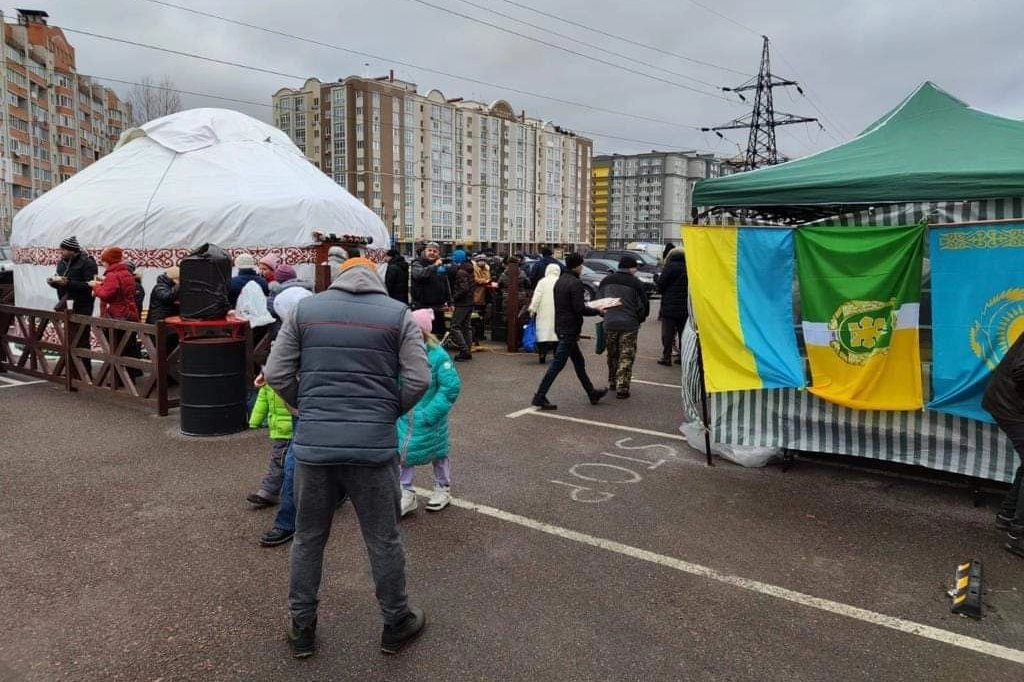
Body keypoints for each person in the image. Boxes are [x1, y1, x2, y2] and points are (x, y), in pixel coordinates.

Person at [263, 256, 431, 659]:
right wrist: (387, 411)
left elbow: (276, 373)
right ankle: (396, 621)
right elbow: (420, 378)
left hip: (315, 445)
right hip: (372, 447)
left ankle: (302, 627)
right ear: (375, 278)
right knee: (383, 539)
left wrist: (305, 408)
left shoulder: (306, 310)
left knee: (308, 538)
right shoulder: (397, 313)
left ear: (339, 278)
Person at [256, 285, 315, 549]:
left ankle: (287, 521)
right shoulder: (328, 325)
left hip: (304, 406)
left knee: (294, 460)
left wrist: (295, 399)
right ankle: (337, 495)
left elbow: (278, 372)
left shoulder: (291, 333)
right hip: (331, 404)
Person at [398, 308, 462, 517]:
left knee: (438, 452)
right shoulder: (402, 352)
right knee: (404, 453)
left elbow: (450, 387)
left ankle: (442, 488)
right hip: (406, 415)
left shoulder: (438, 355)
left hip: (429, 416)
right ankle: (406, 491)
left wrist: (430, 413)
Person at [530, 253, 608, 410]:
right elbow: (579, 308)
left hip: (561, 326)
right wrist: (598, 311)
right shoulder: (575, 283)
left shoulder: (560, 281)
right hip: (570, 329)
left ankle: (591, 392)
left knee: (579, 363)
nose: (582, 268)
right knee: (557, 364)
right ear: (577, 266)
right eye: (581, 265)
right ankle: (540, 395)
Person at [982, 334, 1024, 559]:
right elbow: (1021, 372)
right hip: (1010, 403)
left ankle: (1008, 517)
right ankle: (1019, 535)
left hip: (1010, 401)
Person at [597, 255, 649, 399]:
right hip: (629, 324)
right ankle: (623, 387)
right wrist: (639, 319)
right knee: (626, 355)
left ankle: (612, 381)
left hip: (610, 323)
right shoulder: (636, 283)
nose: (636, 270)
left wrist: (605, 316)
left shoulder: (606, 280)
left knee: (612, 354)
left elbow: (598, 302)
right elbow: (643, 306)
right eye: (635, 268)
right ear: (630, 268)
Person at [47, 236, 98, 377]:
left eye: (63, 249)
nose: (61, 252)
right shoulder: (62, 263)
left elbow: (91, 286)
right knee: (69, 339)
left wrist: (68, 283)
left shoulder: (87, 263)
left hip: (82, 305)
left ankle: (84, 373)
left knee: (81, 339)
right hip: (66, 305)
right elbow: (62, 283)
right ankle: (72, 372)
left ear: (72, 250)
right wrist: (54, 283)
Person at [91, 247, 142, 383]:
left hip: (117, 314)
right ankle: (130, 378)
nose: (102, 263)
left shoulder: (112, 275)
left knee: (116, 348)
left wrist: (95, 286)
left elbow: (106, 295)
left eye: (104, 261)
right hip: (130, 312)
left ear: (109, 261)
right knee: (128, 346)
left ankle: (118, 380)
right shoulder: (127, 273)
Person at [247, 373, 293, 508]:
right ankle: (270, 491)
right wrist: (254, 421)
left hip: (289, 429)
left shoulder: (274, 379)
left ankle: (269, 491)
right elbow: (262, 401)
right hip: (282, 430)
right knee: (281, 460)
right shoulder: (268, 381)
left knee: (280, 461)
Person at [410, 241, 450, 337]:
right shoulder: (418, 263)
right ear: (425, 251)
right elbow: (419, 275)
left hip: (438, 307)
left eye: (435, 251)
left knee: (438, 335)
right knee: (424, 335)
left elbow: (445, 283)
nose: (432, 253)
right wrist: (434, 266)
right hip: (422, 307)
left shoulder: (440, 265)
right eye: (430, 250)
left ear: (438, 253)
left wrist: (450, 301)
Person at [656, 247, 688, 366]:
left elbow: (661, 285)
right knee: (683, 334)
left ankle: (666, 357)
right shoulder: (689, 267)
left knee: (668, 334)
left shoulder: (669, 267)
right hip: (685, 307)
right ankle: (683, 357)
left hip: (669, 306)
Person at [528, 263, 560, 364]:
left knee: (543, 333)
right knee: (556, 334)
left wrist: (532, 309)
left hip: (543, 311)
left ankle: (542, 354)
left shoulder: (542, 282)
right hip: (557, 311)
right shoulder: (560, 281)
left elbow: (537, 297)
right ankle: (556, 355)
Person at [146, 266, 181, 356]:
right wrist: (178, 286)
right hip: (158, 323)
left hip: (169, 324)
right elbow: (167, 297)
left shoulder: (170, 287)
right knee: (161, 352)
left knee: (170, 351)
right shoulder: (160, 287)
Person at [447, 249, 475, 361]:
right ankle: (468, 350)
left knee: (455, 326)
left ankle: (464, 350)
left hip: (462, 303)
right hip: (469, 302)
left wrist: (453, 298)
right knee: (466, 327)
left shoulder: (460, 272)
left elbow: (464, 288)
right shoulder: (469, 269)